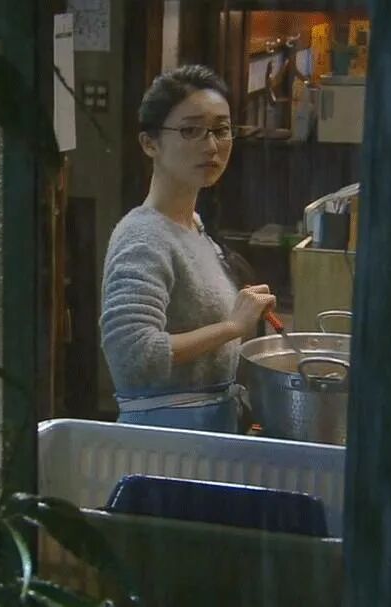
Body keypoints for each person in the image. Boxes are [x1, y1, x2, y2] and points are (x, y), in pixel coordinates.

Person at [100, 64, 277, 432]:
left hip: (206, 433)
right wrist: (232, 325)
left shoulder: (193, 225)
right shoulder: (143, 236)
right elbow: (133, 355)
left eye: (221, 130)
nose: (211, 146)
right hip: (164, 441)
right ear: (150, 143)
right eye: (190, 130)